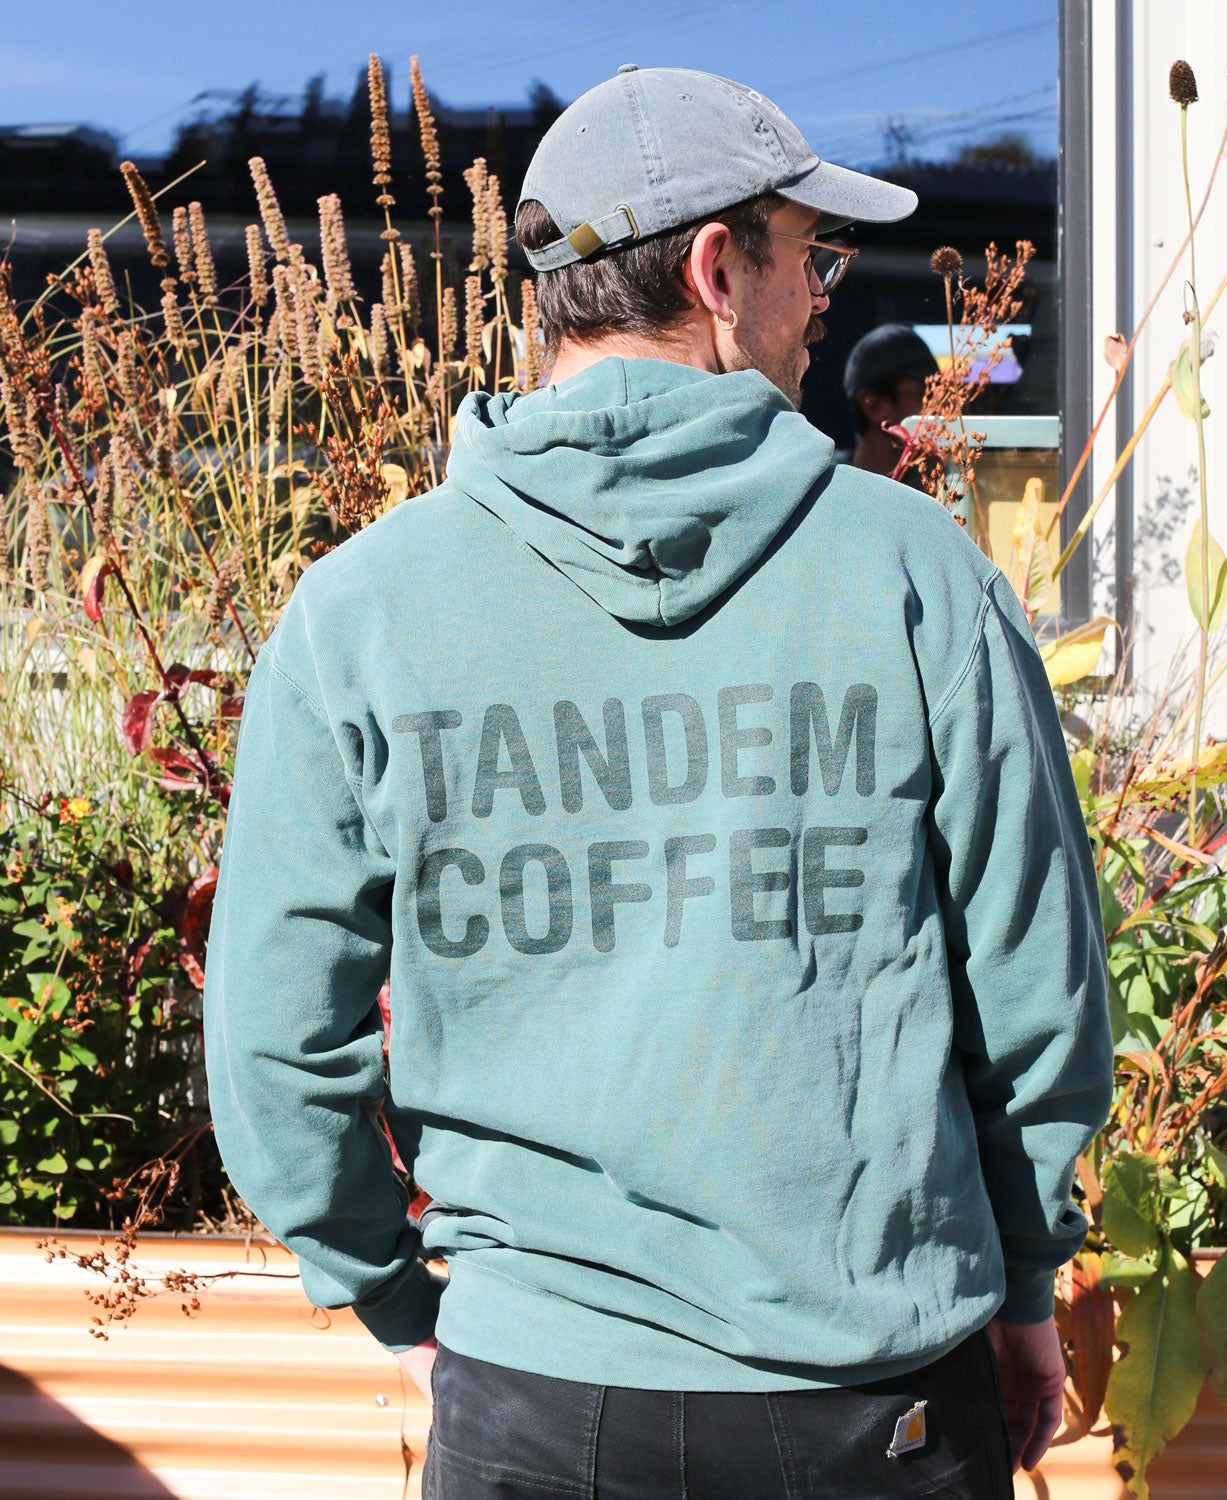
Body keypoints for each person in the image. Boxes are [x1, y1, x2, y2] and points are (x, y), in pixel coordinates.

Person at [204, 64, 1112, 1500]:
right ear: (713, 268)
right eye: (809, 256)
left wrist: (394, 1301)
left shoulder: (360, 608)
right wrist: (1023, 1284)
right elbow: (1032, 990)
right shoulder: (917, 575)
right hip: (869, 1396)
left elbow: (273, 1042)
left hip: (535, 1397)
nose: (826, 295)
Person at [842, 323, 940, 474]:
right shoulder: (823, 488)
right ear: (873, 405)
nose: (940, 411)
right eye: (924, 396)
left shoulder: (950, 486)